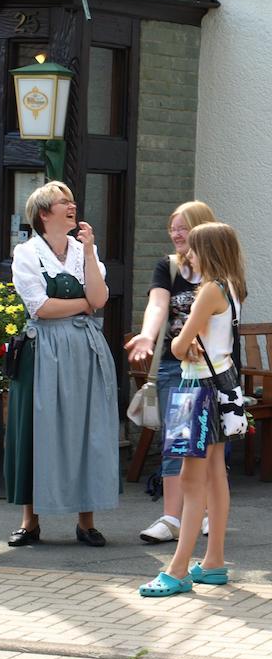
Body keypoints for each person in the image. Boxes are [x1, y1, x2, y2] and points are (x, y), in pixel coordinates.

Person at [4, 180, 119, 548]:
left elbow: (100, 297)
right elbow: (41, 307)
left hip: (84, 348)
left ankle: (86, 522)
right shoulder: (27, 253)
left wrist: (88, 253)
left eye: (72, 201)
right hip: (44, 349)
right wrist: (83, 304)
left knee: (86, 427)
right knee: (36, 427)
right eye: (63, 202)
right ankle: (29, 520)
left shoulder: (84, 251)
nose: (72, 206)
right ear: (43, 213)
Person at [139, 222, 247, 597]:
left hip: (197, 386)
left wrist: (183, 344)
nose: (189, 254)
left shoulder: (207, 292)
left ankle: (178, 568)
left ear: (210, 252)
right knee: (217, 474)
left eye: (195, 248)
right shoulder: (232, 287)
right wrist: (188, 345)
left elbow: (177, 346)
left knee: (190, 477)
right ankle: (214, 561)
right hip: (223, 383)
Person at [125, 201, 216, 543]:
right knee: (176, 441)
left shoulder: (219, 271)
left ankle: (207, 510)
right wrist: (148, 335)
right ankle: (171, 518)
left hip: (211, 369)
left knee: (207, 442)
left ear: (201, 229)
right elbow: (158, 304)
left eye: (183, 227)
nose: (176, 234)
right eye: (172, 228)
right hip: (173, 366)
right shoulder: (169, 267)